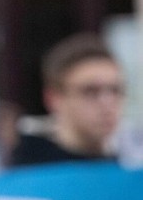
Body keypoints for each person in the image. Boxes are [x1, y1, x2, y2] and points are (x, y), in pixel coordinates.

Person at [10, 33, 125, 167]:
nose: (107, 103)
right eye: (90, 91)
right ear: (53, 99)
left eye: (115, 90)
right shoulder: (25, 169)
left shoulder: (125, 169)